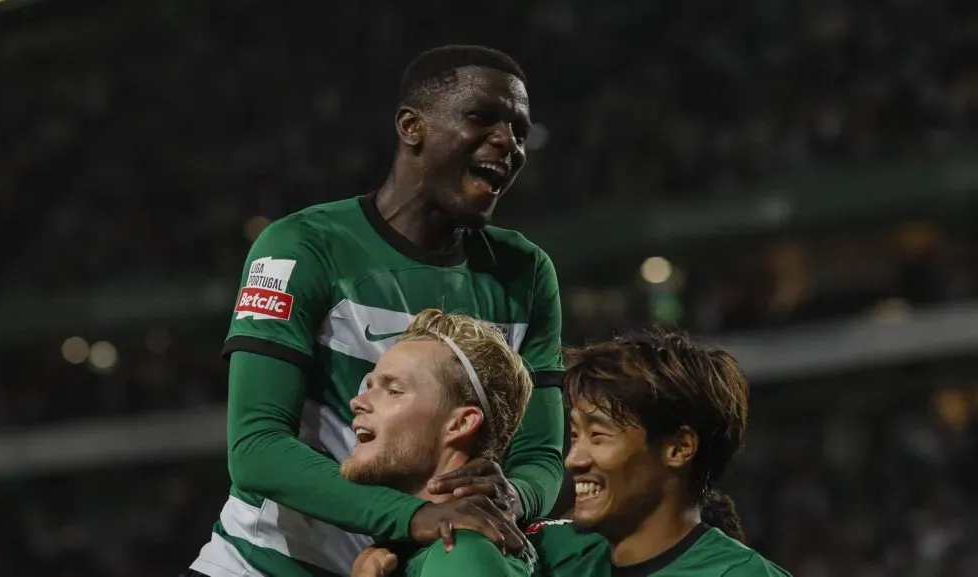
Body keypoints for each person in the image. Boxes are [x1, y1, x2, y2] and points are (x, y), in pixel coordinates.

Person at [188, 44, 565, 577]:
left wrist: (515, 498)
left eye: (520, 130)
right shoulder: (301, 247)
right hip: (263, 565)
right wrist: (415, 517)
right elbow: (256, 447)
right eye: (482, 118)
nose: (508, 143)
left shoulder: (525, 273)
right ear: (412, 127)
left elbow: (542, 457)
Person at [526, 331, 790, 576]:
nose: (573, 460)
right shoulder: (552, 556)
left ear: (679, 448)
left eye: (598, 435)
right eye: (574, 435)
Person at [344, 309, 537, 577]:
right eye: (370, 386)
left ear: (460, 424)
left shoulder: (460, 551)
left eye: (393, 391)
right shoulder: (415, 552)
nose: (358, 402)